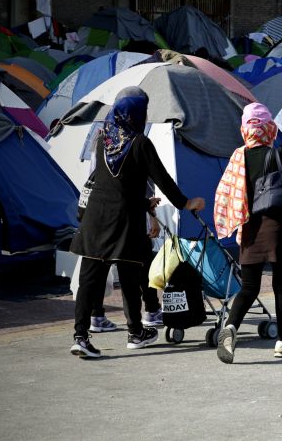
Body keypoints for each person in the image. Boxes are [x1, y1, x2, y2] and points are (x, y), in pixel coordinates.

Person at [69, 86, 205, 358]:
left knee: (89, 281)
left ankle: (80, 336)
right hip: (125, 223)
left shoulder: (103, 139)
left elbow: (113, 185)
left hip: (96, 219)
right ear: (138, 114)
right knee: (131, 276)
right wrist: (186, 203)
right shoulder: (140, 143)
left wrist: (144, 204)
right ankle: (135, 332)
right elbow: (163, 179)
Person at [213, 102, 282, 364]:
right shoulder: (278, 155)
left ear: (245, 129)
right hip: (278, 229)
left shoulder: (237, 158)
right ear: (269, 128)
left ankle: (230, 329)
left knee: (249, 288)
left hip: (250, 230)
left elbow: (227, 194)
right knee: (281, 287)